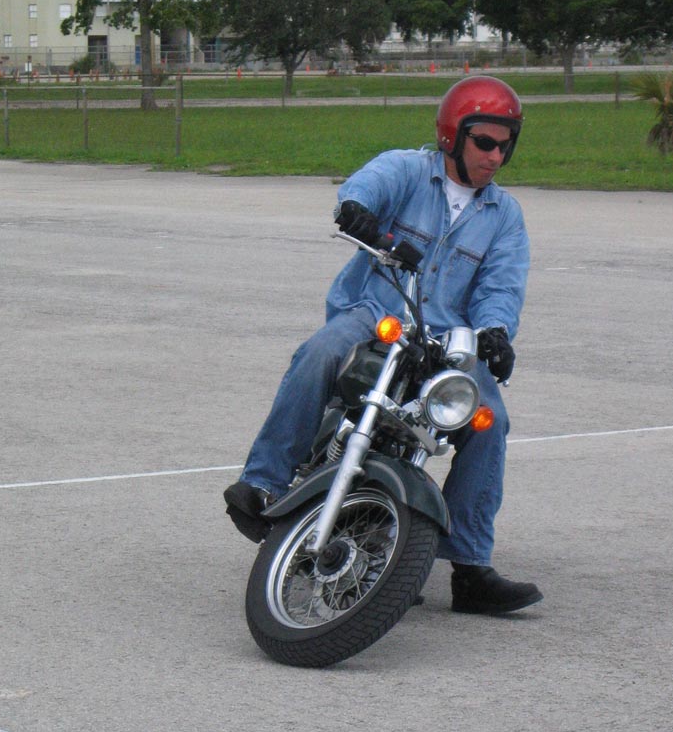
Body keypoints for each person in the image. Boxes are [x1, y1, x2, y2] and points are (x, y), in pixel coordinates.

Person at [223, 74, 542, 615]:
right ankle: (262, 483)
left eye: (504, 145)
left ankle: (470, 568)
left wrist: (495, 333)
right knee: (321, 352)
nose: (495, 155)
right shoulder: (408, 170)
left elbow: (501, 286)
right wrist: (357, 210)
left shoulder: (503, 215)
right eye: (485, 142)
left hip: (444, 342)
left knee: (491, 421)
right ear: (453, 135)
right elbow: (366, 185)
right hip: (377, 315)